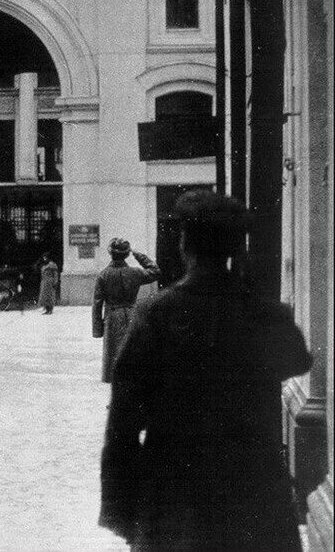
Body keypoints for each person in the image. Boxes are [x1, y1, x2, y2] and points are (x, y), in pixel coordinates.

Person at [99, 191, 313, 551]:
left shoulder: (156, 314)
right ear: (234, 248)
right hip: (254, 494)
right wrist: (251, 290)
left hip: (173, 498)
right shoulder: (262, 312)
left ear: (185, 245)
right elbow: (298, 359)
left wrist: (122, 512)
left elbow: (123, 422)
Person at [92, 238, 160, 383]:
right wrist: (138, 254)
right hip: (131, 315)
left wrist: (98, 329)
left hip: (112, 318)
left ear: (110, 253)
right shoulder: (135, 273)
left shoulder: (103, 275)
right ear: (126, 254)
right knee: (131, 354)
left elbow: (97, 304)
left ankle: (115, 400)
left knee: (113, 358)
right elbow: (155, 271)